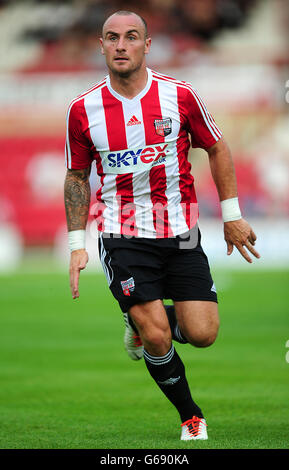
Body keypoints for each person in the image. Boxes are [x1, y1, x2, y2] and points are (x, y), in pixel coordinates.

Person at [64, 10, 260, 441]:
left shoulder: (180, 95)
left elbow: (217, 146)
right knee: (157, 336)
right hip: (122, 232)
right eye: (112, 37)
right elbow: (77, 176)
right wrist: (78, 243)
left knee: (203, 333)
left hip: (181, 231)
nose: (120, 45)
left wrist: (232, 216)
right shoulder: (83, 109)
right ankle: (190, 415)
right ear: (101, 45)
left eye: (131, 37)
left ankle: (138, 320)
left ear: (147, 45)